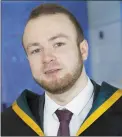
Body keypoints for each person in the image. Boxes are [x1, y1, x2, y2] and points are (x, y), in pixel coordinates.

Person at [1, 3, 122, 136]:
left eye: (58, 44)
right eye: (35, 50)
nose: (47, 58)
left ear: (83, 50)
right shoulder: (7, 125)